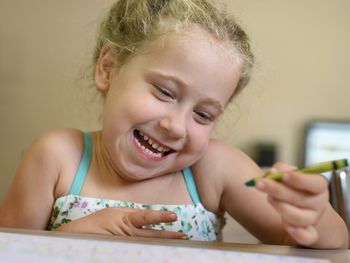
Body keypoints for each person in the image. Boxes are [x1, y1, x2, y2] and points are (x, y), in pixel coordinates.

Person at [0, 0, 348, 249]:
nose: (177, 127)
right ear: (108, 68)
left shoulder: (213, 168)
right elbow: (9, 251)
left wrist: (315, 219)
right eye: (165, 92)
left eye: (203, 115)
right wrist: (70, 241)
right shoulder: (57, 156)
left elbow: (326, 244)